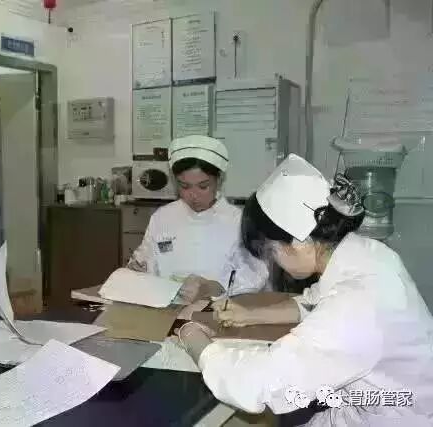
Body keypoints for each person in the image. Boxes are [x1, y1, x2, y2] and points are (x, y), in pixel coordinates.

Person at [177, 154, 433, 426]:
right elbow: (312, 302)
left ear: (299, 242)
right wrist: (249, 315)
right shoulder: (366, 254)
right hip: (362, 407)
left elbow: (258, 385)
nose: (274, 260)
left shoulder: (357, 307)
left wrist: (191, 335)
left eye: (271, 251)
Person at [128, 135, 269, 303]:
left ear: (219, 180)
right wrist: (139, 268)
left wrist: (214, 288)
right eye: (184, 186)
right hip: (166, 308)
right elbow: (145, 258)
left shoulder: (238, 222)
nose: (193, 195)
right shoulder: (162, 217)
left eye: (203, 186)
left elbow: (256, 275)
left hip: (221, 310)